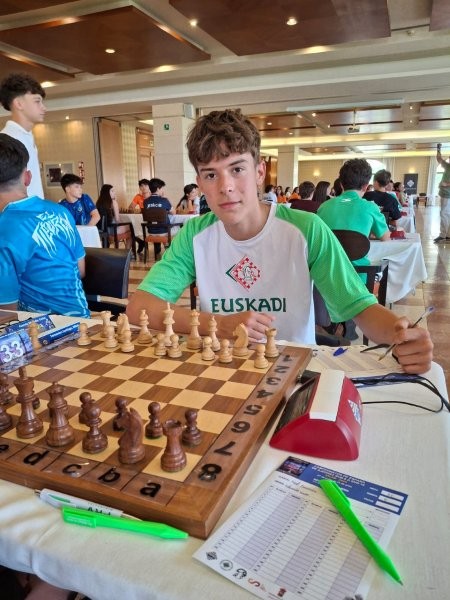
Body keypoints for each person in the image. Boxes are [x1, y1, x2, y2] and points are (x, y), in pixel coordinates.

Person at [127, 108, 432, 374]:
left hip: (293, 372)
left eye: (237, 169)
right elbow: (139, 307)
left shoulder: (306, 229)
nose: (225, 186)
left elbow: (359, 306)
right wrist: (218, 324)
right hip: (222, 370)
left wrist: (399, 334)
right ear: (200, 183)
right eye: (210, 175)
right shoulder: (194, 235)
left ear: (259, 172)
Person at [0, 133, 89, 317]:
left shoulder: (4, 228)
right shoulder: (60, 211)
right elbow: (80, 270)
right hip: (82, 322)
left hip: (39, 330)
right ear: (27, 177)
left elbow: (6, 314)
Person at [318, 159, 390, 267]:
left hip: (326, 272)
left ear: (341, 184)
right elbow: (385, 237)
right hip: (358, 273)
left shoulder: (324, 207)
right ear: (365, 186)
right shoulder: (371, 208)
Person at [0, 72, 46, 199]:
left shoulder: (27, 136)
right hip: (21, 210)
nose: (44, 108)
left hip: (34, 208)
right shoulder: (7, 142)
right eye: (37, 101)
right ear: (19, 104)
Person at [96, 184, 133, 249]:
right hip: (113, 229)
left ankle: (114, 247)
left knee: (127, 228)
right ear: (107, 193)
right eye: (112, 191)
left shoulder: (98, 203)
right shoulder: (113, 202)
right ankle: (127, 252)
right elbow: (117, 219)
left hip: (103, 229)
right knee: (132, 230)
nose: (114, 193)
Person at [434, 143, 450, 243]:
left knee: (444, 214)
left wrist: (446, 184)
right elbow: (439, 159)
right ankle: (447, 235)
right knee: (445, 214)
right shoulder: (447, 166)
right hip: (444, 194)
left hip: (448, 194)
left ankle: (443, 235)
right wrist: (438, 149)